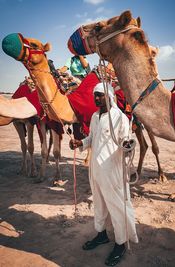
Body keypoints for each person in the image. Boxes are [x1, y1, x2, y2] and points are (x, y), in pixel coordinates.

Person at [69, 82, 138, 266]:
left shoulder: (119, 117)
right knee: (98, 204)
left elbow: (128, 140)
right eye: (95, 95)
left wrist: (128, 146)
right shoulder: (94, 116)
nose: (96, 98)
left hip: (113, 171)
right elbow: (93, 138)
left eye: (100, 95)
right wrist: (80, 143)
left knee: (117, 207)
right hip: (96, 170)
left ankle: (121, 243)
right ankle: (101, 235)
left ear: (109, 96)